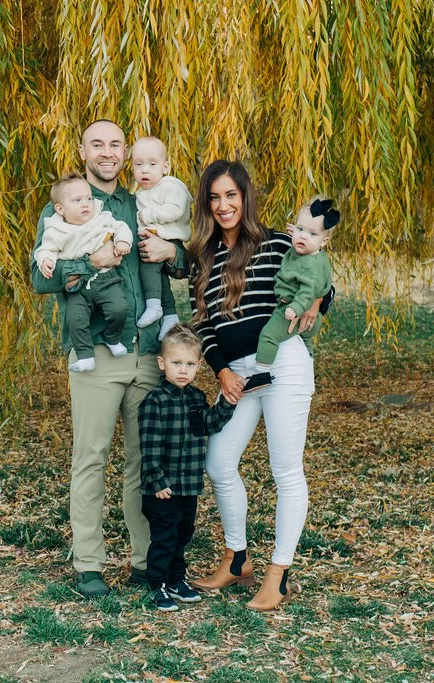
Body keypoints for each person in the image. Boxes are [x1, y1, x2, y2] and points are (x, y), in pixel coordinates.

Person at [30, 120, 186, 599]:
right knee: (91, 458)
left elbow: (181, 259)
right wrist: (87, 263)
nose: (107, 152)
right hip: (96, 354)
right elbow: (40, 278)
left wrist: (172, 250)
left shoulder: (142, 202)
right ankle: (89, 565)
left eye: (116, 144)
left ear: (125, 153)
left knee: (145, 462)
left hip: (148, 353)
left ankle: (145, 562)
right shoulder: (63, 206)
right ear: (83, 152)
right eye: (97, 144)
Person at [187, 160, 330, 612]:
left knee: (285, 470)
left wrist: (318, 302)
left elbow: (321, 278)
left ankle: (278, 575)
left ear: (245, 197)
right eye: (215, 197)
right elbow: (203, 324)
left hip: (283, 363)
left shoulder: (277, 243)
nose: (223, 205)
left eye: (231, 195)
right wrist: (221, 371)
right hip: (237, 373)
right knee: (218, 462)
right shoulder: (203, 256)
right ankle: (237, 559)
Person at [138, 324, 237, 611]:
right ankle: (157, 584)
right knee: (164, 537)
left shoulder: (196, 398)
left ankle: (176, 579)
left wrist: (227, 403)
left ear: (198, 366)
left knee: (183, 534)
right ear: (162, 363)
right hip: (162, 488)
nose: (183, 370)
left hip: (188, 485)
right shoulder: (154, 401)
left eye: (190, 364)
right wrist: (157, 481)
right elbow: (149, 446)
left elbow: (209, 425)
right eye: (176, 363)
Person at [34, 173, 134, 372]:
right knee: (76, 320)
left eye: (88, 198)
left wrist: (123, 241)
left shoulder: (101, 216)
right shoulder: (56, 228)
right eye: (77, 200)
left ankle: (113, 338)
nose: (86, 204)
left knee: (118, 308)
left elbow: (120, 227)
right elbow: (47, 249)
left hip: (106, 279)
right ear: (60, 209)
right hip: (77, 288)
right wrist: (46, 260)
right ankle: (85, 356)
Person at [243, 198, 337, 392]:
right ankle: (308, 367)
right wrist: (300, 233)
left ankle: (261, 373)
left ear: (324, 241)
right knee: (306, 341)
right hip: (309, 318)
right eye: (300, 229)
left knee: (268, 335)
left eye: (312, 233)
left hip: (291, 309)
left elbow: (309, 290)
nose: (303, 237)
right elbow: (304, 239)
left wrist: (296, 308)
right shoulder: (311, 253)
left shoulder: (310, 265)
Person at [129, 136, 193, 340]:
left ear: (165, 167)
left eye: (152, 164)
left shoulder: (170, 185)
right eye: (138, 164)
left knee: (148, 263)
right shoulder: (142, 192)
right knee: (159, 278)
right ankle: (170, 316)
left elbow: (176, 209)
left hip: (169, 237)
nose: (144, 170)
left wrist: (147, 216)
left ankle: (154, 306)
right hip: (158, 236)